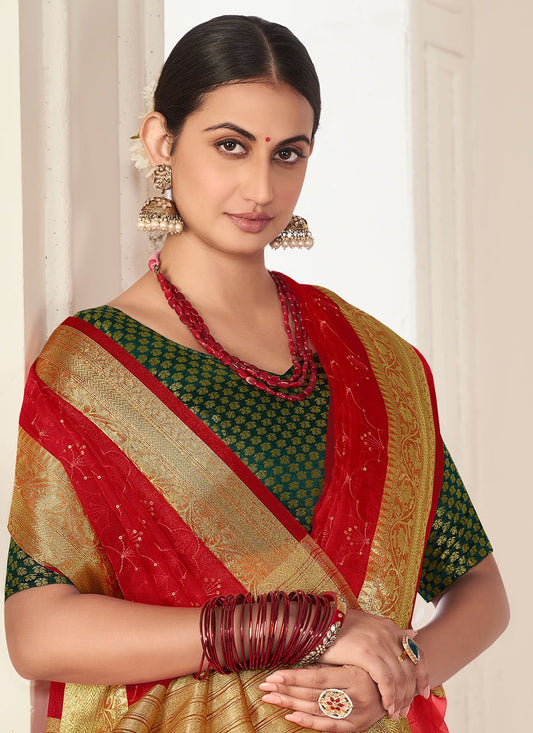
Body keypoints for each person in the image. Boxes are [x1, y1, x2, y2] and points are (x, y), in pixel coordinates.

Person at [4, 15, 508, 733]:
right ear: (162, 141)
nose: (260, 187)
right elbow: (38, 632)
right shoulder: (92, 369)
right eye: (231, 146)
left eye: (288, 154)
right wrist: (296, 626)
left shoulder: (374, 360)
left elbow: (481, 591)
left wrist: (400, 672)